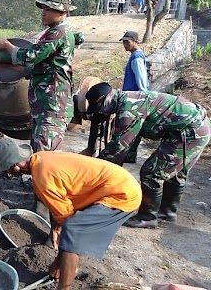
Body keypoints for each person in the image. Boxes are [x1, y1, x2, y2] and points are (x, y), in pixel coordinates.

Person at [0, 137, 141, 290]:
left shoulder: (43, 178)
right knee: (70, 230)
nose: (8, 174)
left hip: (121, 194)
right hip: (118, 183)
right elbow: (64, 198)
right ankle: (63, 268)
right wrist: (57, 256)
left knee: (73, 230)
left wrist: (61, 255)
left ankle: (64, 287)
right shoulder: (42, 158)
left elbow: (67, 219)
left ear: (15, 166)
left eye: (6, 170)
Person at [82, 82, 210, 229]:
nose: (101, 113)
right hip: (196, 127)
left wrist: (95, 169)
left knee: (152, 172)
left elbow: (118, 147)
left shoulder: (128, 109)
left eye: (99, 108)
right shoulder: (128, 99)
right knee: (175, 172)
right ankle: (167, 211)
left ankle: (147, 216)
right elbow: (133, 137)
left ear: (104, 100)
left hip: (191, 131)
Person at [0, 0, 84, 152]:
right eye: (43, 8)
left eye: (48, 9)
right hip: (45, 105)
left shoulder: (58, 33)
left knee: (46, 156)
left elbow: (31, 56)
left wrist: (7, 47)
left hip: (52, 106)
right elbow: (41, 66)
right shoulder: (54, 32)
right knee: (39, 151)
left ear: (62, 11)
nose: (43, 13)